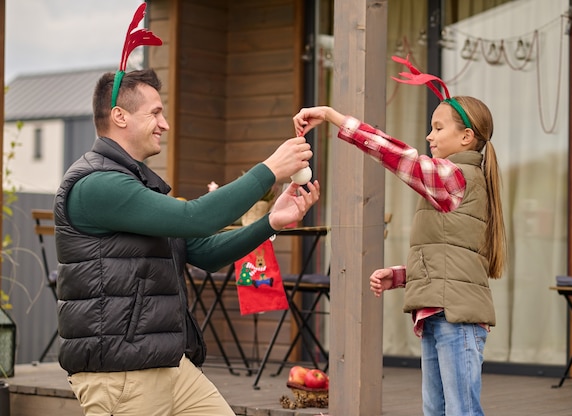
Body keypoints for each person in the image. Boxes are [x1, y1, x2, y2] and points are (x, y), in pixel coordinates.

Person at [54, 68, 320, 416]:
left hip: (168, 364)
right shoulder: (97, 185)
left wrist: (271, 222)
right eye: (155, 113)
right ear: (119, 116)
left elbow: (204, 252)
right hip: (122, 373)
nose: (164, 124)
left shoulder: (136, 184)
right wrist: (271, 169)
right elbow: (195, 218)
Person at [293, 93, 506, 415]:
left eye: (438, 128)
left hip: (457, 319)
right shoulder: (457, 182)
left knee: (461, 411)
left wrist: (333, 116)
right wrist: (400, 275)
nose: (429, 136)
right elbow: (451, 255)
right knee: (436, 410)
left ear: (466, 137)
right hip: (440, 314)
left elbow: (397, 155)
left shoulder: (455, 177)